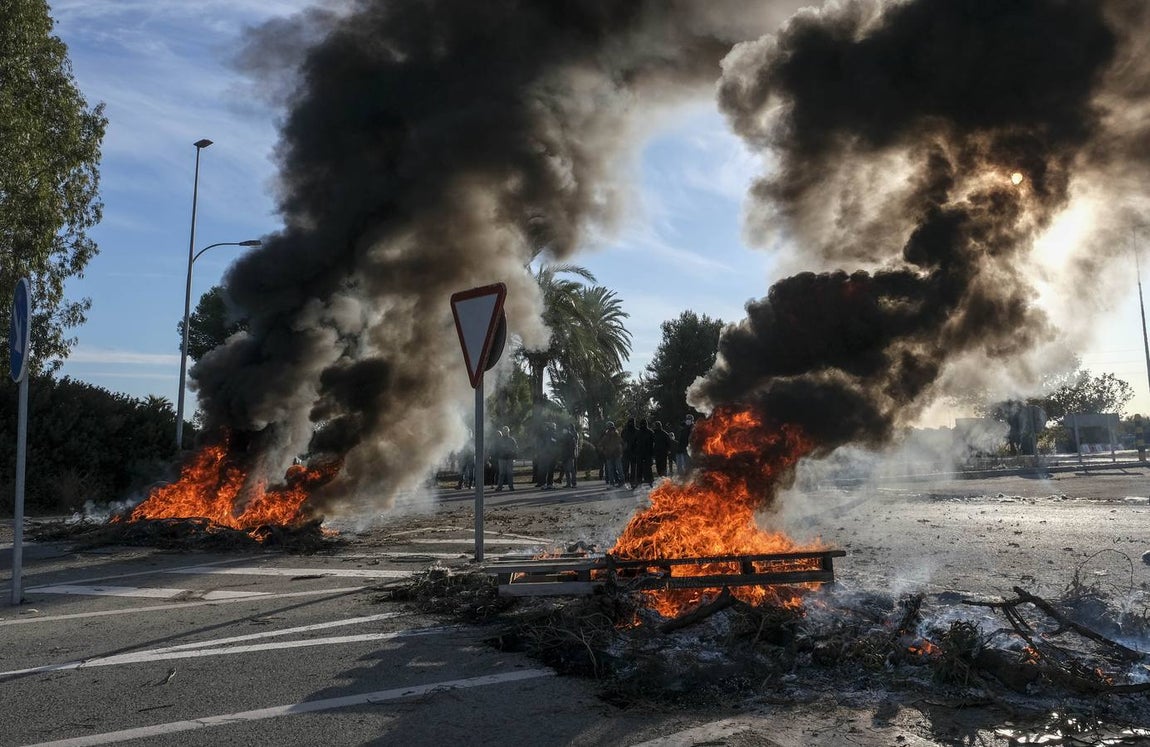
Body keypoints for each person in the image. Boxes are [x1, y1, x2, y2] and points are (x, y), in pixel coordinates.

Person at [597, 421, 624, 487]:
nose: (611, 430)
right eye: (610, 428)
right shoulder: (606, 436)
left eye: (612, 428)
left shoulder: (617, 435)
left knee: (618, 469)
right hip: (609, 455)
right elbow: (600, 445)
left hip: (616, 455)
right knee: (610, 470)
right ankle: (612, 483)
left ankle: (622, 481)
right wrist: (604, 451)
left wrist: (621, 451)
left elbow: (622, 443)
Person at [494, 426, 517, 492]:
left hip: (509, 458)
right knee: (501, 473)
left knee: (510, 473)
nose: (505, 432)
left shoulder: (511, 440)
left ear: (508, 431)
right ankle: (500, 487)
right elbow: (496, 448)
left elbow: (515, 448)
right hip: (502, 458)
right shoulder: (499, 440)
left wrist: (511, 451)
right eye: (504, 431)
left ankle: (511, 486)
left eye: (506, 431)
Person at [633, 418, 655, 487]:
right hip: (640, 452)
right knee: (639, 468)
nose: (643, 425)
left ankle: (650, 481)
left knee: (648, 468)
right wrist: (635, 451)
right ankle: (638, 482)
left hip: (648, 452)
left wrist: (652, 452)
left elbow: (654, 442)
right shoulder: (638, 433)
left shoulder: (650, 432)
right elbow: (634, 442)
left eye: (644, 424)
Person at [559, 423, 579, 488]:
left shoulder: (570, 436)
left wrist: (570, 455)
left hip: (569, 456)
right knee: (567, 470)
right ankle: (568, 483)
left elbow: (572, 447)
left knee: (571, 470)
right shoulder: (565, 436)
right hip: (565, 455)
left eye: (564, 429)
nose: (563, 430)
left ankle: (573, 483)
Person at [620, 417, 637, 488]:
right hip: (626, 452)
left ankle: (632, 482)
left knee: (633, 468)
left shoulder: (636, 431)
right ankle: (626, 482)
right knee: (626, 468)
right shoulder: (625, 431)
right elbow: (621, 440)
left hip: (633, 452)